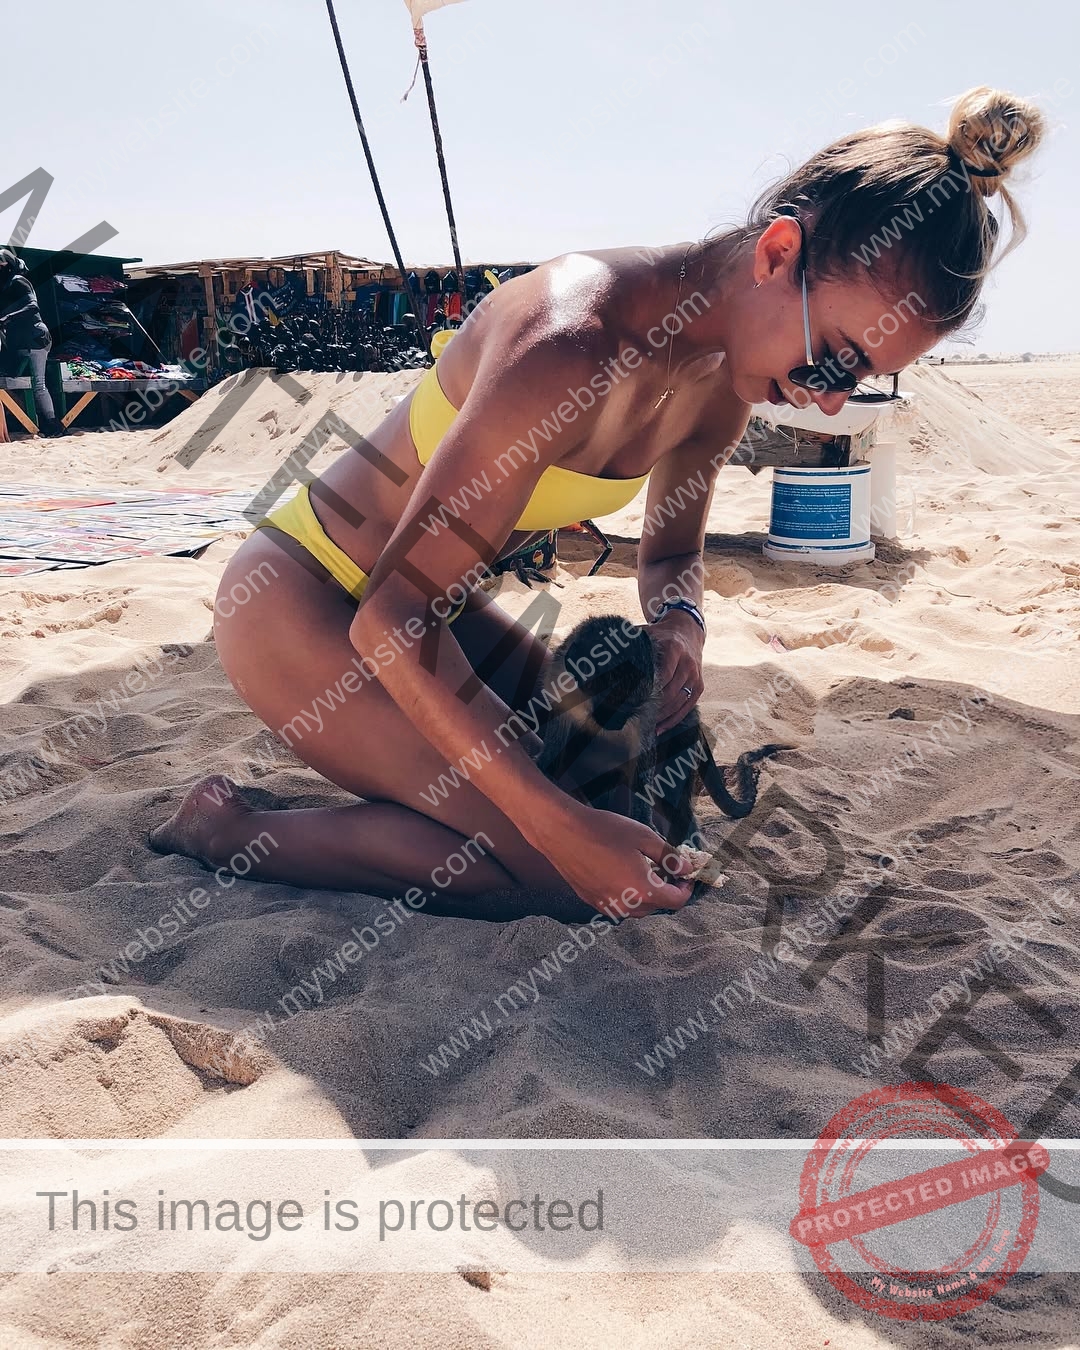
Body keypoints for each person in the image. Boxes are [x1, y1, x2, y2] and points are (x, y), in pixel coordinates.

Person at [152, 87, 1044, 920]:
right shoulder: (568, 340)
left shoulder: (721, 383)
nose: (833, 399)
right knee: (560, 873)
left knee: (606, 809)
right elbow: (390, 619)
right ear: (779, 253)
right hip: (306, 601)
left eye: (863, 379)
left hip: (433, 613)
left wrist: (682, 624)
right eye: (839, 357)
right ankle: (225, 833)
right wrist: (560, 828)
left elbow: (670, 556)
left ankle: (456, 817)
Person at [0, 248, 64, 437]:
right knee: (17, 381)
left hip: (35, 338)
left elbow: (33, 306)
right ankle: (31, 421)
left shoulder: (18, 281)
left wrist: (7, 318)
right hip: (19, 341)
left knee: (38, 384)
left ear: (8, 265)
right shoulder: (5, 287)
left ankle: (53, 425)